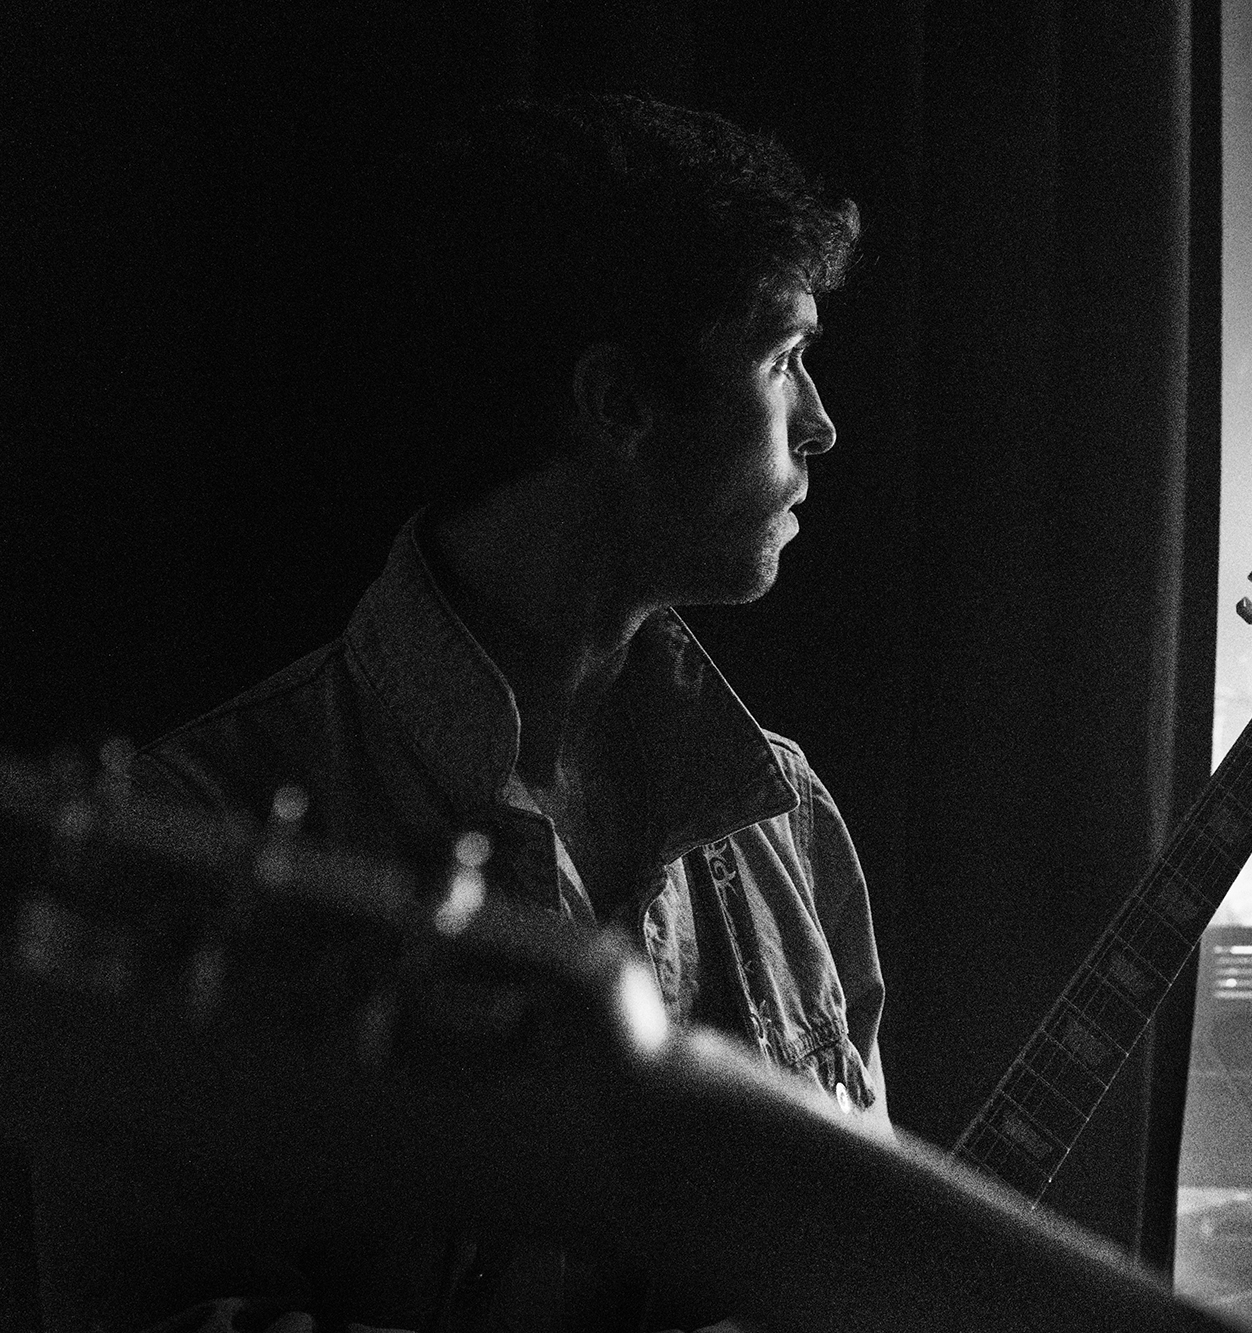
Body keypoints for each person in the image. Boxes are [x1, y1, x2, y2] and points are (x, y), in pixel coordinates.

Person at [39, 95, 886, 1333]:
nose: (821, 422)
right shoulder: (193, 839)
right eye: (780, 358)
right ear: (618, 403)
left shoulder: (784, 814)